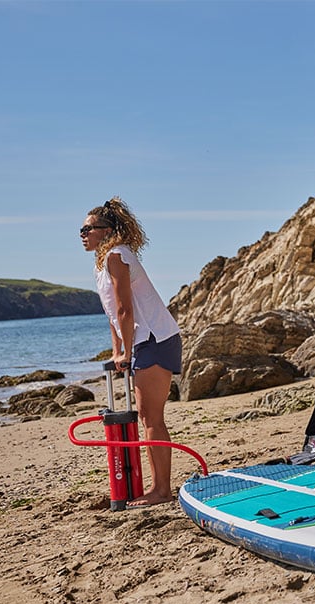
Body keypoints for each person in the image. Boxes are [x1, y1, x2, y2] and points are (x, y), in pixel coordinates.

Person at [81, 197, 183, 507]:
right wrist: (117, 351)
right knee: (146, 415)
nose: (83, 235)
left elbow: (126, 309)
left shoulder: (116, 256)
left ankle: (161, 490)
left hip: (155, 339)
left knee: (151, 416)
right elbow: (113, 314)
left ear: (106, 230)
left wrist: (127, 352)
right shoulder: (103, 262)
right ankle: (157, 487)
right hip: (144, 341)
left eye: (88, 229)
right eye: (81, 230)